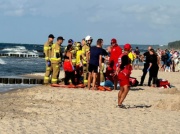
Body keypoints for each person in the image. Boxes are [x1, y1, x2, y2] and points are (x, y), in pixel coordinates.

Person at [116, 43, 132, 108]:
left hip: (120, 74)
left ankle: (119, 102)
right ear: (129, 49)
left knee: (121, 89)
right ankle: (120, 103)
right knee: (126, 88)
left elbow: (118, 64)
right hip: (124, 74)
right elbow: (122, 65)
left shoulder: (121, 55)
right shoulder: (125, 56)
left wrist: (117, 71)